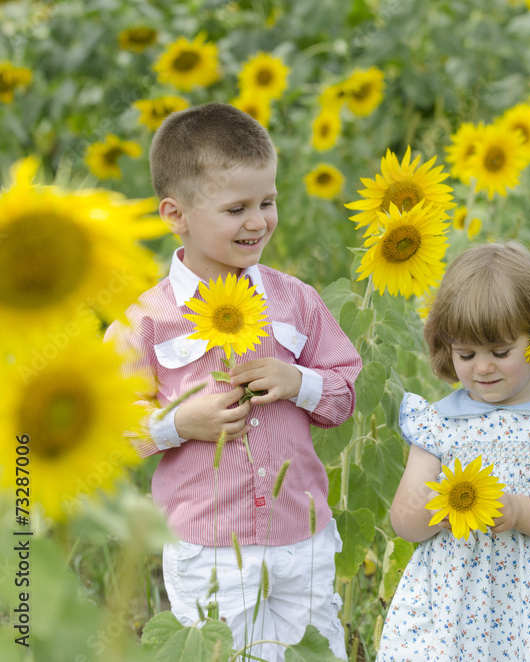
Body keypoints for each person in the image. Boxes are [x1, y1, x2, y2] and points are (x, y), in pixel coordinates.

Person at [107, 102, 362, 662]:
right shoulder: (147, 322)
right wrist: (178, 425)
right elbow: (109, 429)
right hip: (209, 547)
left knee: (316, 652)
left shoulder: (296, 302)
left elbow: (345, 390)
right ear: (176, 215)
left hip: (303, 535)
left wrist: (299, 382)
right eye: (236, 208)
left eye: (268, 201)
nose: (258, 221)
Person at [377, 241, 530, 661]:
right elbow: (405, 520)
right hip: (449, 611)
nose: (482, 368)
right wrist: (449, 504)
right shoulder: (438, 423)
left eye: (500, 353)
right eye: (466, 354)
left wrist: (519, 512)